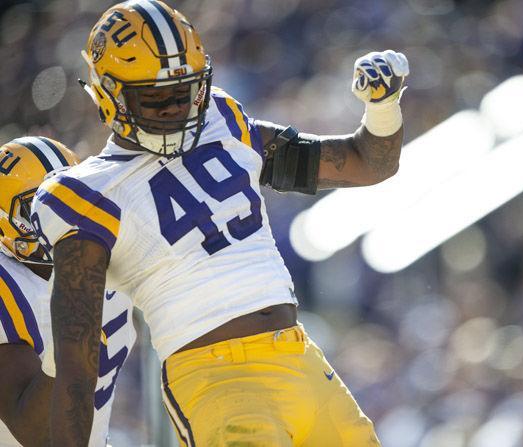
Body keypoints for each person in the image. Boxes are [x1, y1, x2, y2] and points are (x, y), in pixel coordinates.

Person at [31, 1, 408, 445]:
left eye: (184, 91)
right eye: (154, 97)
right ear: (107, 93)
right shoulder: (84, 193)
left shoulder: (223, 122)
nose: (174, 108)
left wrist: (382, 108)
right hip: (216, 378)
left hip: (301, 357)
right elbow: (78, 362)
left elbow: (366, 164)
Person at [0, 137, 136, 446]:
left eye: (71, 200)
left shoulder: (111, 255)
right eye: (38, 207)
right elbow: (36, 432)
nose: (60, 218)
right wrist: (75, 332)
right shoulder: (7, 284)